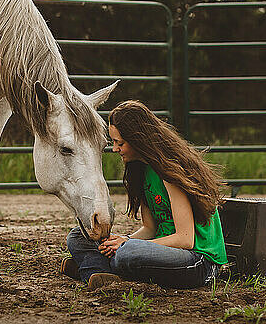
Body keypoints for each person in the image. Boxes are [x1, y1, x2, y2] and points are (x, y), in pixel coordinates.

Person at [60, 100, 227, 290]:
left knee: (126, 254)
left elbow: (185, 239)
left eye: (119, 143)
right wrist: (122, 240)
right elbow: (150, 228)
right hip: (167, 252)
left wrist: (126, 245)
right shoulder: (141, 171)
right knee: (79, 236)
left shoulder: (169, 171)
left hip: (198, 262)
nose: (115, 149)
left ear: (137, 138)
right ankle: (97, 271)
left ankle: (92, 267)